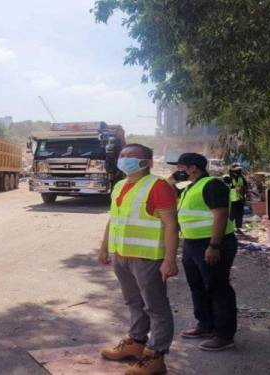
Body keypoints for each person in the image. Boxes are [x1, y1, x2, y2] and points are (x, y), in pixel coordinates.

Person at [98, 144, 179, 375]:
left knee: (156, 307)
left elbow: (171, 224)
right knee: (133, 302)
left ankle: (156, 356)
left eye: (132, 156)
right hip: (121, 256)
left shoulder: (158, 186)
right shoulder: (120, 185)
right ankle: (136, 342)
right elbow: (114, 220)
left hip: (148, 258)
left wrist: (170, 260)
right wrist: (104, 248)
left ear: (148, 162)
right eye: (123, 156)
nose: (125, 159)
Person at [167, 153, 238, 351]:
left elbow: (221, 215)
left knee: (217, 288)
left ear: (193, 168)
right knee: (197, 285)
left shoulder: (212, 184)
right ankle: (205, 325)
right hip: (191, 244)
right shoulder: (191, 187)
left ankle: (224, 335)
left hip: (212, 243)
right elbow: (169, 195)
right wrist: (172, 180)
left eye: (181, 167)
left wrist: (214, 245)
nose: (178, 170)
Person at [226, 163, 248, 233]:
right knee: (231, 214)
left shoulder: (242, 178)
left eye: (239, 169)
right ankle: (228, 228)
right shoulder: (228, 178)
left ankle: (238, 228)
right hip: (231, 199)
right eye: (236, 169)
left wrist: (244, 195)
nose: (238, 171)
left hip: (240, 199)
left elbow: (245, 187)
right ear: (232, 170)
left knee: (239, 214)